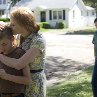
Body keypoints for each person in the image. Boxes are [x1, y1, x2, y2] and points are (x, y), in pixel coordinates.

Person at [0, 7, 46, 97]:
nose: (10, 27)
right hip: (19, 84)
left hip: (34, 84)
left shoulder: (38, 40)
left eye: (13, 24)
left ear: (24, 25)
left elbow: (19, 64)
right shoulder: (20, 37)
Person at [0, 26, 31, 97]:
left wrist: (6, 76)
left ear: (12, 39)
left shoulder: (20, 53)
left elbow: (27, 80)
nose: (1, 48)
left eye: (4, 44)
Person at [92, 17, 97, 97]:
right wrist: (95, 55)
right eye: (96, 26)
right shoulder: (95, 33)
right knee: (94, 81)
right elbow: (95, 45)